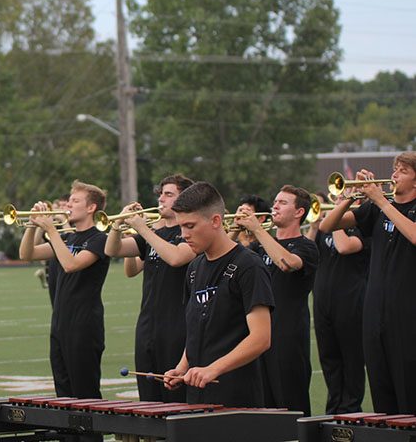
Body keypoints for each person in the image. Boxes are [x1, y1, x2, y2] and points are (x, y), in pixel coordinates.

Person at [320, 152, 416, 414]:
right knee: (381, 392)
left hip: (407, 315)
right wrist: (352, 196)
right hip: (374, 314)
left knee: (409, 391)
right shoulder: (375, 208)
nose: (394, 174)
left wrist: (381, 201)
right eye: (395, 169)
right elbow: (328, 225)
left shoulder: (391, 207)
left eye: (403, 171)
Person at [164, 182, 274, 408]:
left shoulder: (248, 266)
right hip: (197, 397)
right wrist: (182, 366)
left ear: (215, 221)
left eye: (190, 226)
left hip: (237, 398)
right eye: (181, 226)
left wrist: (214, 368)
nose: (184, 234)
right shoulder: (194, 269)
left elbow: (261, 338)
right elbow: (198, 329)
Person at [20, 180, 109, 442]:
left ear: (92, 207)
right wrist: (32, 226)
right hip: (61, 323)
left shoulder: (98, 239)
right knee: (64, 394)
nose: (68, 205)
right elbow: (27, 254)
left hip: (85, 324)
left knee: (86, 395)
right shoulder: (68, 237)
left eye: (75, 201)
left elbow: (70, 264)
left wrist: (52, 230)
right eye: (69, 201)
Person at [105, 174, 196, 402]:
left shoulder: (189, 233)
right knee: (148, 397)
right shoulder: (154, 233)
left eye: (168, 194)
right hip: (147, 324)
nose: (161, 199)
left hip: (178, 324)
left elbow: (176, 257)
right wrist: (118, 225)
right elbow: (112, 250)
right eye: (161, 194)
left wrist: (143, 229)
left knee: (175, 397)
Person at [236, 185, 318, 415]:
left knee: (290, 405)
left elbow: (287, 263)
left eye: (283, 202)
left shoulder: (307, 247)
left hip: (287, 336)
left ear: (299, 212)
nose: (275, 206)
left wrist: (258, 229)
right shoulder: (257, 247)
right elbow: (228, 255)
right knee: (262, 407)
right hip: (256, 335)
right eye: (275, 202)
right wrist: (235, 230)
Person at [307, 192, 367, 414]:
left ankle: (351, 409)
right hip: (324, 302)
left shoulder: (362, 227)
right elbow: (309, 251)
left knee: (351, 359)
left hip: (351, 302)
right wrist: (314, 226)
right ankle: (333, 410)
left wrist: (338, 212)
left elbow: (344, 247)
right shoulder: (325, 229)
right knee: (329, 359)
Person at [45, 193, 71, 305]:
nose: (61, 209)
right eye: (60, 206)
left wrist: (62, 220)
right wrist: (36, 225)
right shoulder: (55, 225)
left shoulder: (75, 223)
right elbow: (29, 251)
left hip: (69, 270)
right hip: (54, 268)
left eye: (64, 205)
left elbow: (73, 242)